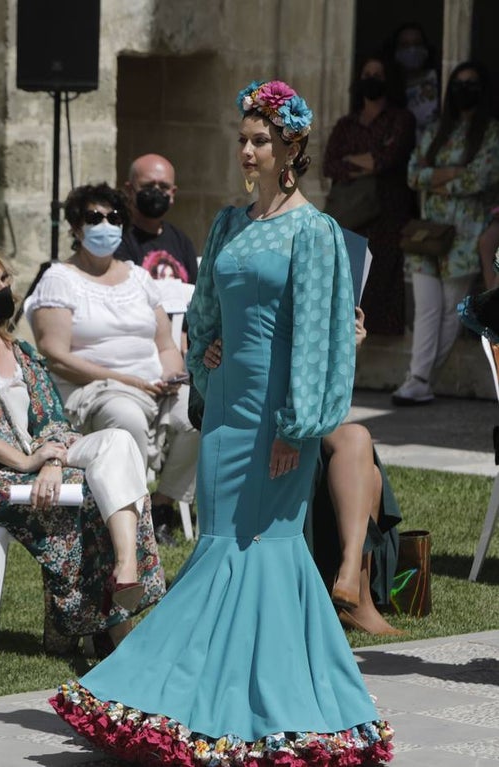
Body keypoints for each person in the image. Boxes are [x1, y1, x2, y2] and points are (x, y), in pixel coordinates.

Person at [52, 80, 394, 765]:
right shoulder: (228, 225)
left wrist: (298, 427)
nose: (247, 150)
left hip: (278, 415)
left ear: (290, 146)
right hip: (229, 413)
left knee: (266, 550)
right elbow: (204, 311)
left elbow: (322, 339)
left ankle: (276, 710)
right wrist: (208, 355)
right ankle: (206, 703)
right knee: (218, 548)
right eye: (242, 138)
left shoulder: (317, 232)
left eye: (260, 140)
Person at [0, 239, 164, 656]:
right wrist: (30, 461)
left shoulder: (18, 349)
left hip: (34, 460)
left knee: (119, 444)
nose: (3, 290)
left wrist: (47, 461)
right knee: (94, 493)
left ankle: (125, 569)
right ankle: (110, 630)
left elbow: (51, 418)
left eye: (5, 279)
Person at [204, 308, 404, 637]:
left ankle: (351, 579)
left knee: (359, 444)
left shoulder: (307, 294)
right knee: (365, 466)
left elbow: (323, 398)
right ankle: (354, 595)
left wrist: (345, 348)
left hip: (302, 421)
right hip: (257, 426)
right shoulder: (248, 300)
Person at [26, 183, 198, 548]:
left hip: (151, 386)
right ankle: (128, 520)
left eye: (114, 217)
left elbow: (166, 344)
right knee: (127, 417)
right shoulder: (60, 278)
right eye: (94, 217)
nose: (106, 225)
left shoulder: (138, 277)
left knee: (199, 413)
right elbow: (55, 354)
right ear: (75, 227)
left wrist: (172, 375)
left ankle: (162, 506)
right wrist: (127, 380)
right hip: (94, 389)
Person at [394, 61, 499, 406]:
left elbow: (478, 179)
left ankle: (420, 379)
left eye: (471, 84)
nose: (463, 90)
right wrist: (453, 172)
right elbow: (413, 175)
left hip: (466, 237)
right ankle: (418, 378)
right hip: (428, 235)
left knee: (452, 312)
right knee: (426, 308)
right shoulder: (435, 130)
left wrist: (436, 176)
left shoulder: (491, 134)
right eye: (458, 83)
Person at [323, 56, 416, 336]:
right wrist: (366, 164)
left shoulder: (400, 119)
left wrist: (354, 161)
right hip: (351, 215)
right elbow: (330, 164)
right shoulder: (346, 124)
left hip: (386, 216)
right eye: (367, 73)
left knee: (380, 281)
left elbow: (387, 160)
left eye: (379, 73)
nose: (372, 78)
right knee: (346, 283)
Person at [114, 154, 199, 284]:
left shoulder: (181, 241)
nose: (156, 192)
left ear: (173, 193)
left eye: (164, 187)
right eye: (148, 186)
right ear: (130, 190)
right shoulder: (118, 238)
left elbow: (196, 290)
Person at [389, 23, 441, 142]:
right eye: (405, 45)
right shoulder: (390, 86)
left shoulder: (440, 80)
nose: (412, 50)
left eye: (417, 44)